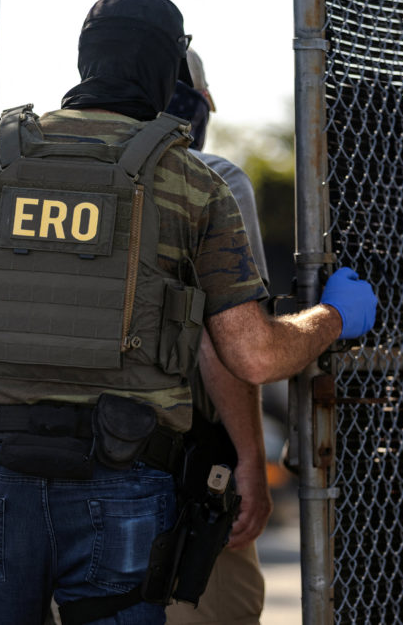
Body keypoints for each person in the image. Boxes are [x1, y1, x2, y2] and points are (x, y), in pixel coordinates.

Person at [0, 0, 377, 624]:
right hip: (123, 471)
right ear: (168, 69)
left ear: (87, 63)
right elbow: (250, 354)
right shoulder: (195, 184)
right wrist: (334, 317)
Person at [163, 48, 270, 625]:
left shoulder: (18, 175)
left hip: (48, 482)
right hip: (180, 479)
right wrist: (251, 458)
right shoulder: (214, 180)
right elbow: (231, 340)